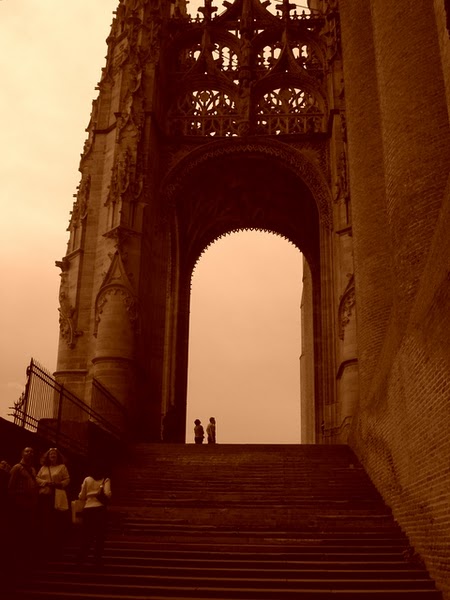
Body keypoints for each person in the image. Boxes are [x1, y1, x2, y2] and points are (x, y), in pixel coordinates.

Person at [7, 447, 39, 569]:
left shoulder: (32, 469)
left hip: (30, 505)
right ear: (22, 453)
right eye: (27, 451)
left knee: (27, 531)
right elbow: (10, 486)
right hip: (19, 503)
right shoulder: (17, 468)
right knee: (18, 531)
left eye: (32, 451)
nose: (30, 453)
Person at [36, 447, 70, 554]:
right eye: (51, 454)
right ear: (48, 456)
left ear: (58, 456)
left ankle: (56, 545)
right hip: (46, 496)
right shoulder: (43, 468)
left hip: (56, 495)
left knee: (56, 520)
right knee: (46, 520)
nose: (53, 455)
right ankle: (46, 545)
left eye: (55, 454)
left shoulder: (62, 467)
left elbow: (67, 479)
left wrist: (58, 484)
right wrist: (45, 482)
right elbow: (37, 478)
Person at [77, 463, 112, 567]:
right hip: (100, 509)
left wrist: (88, 494)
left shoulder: (87, 479)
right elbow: (108, 494)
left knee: (87, 535)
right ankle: (97, 559)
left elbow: (81, 496)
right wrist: (97, 493)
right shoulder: (105, 479)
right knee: (100, 536)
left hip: (88, 509)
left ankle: (81, 559)